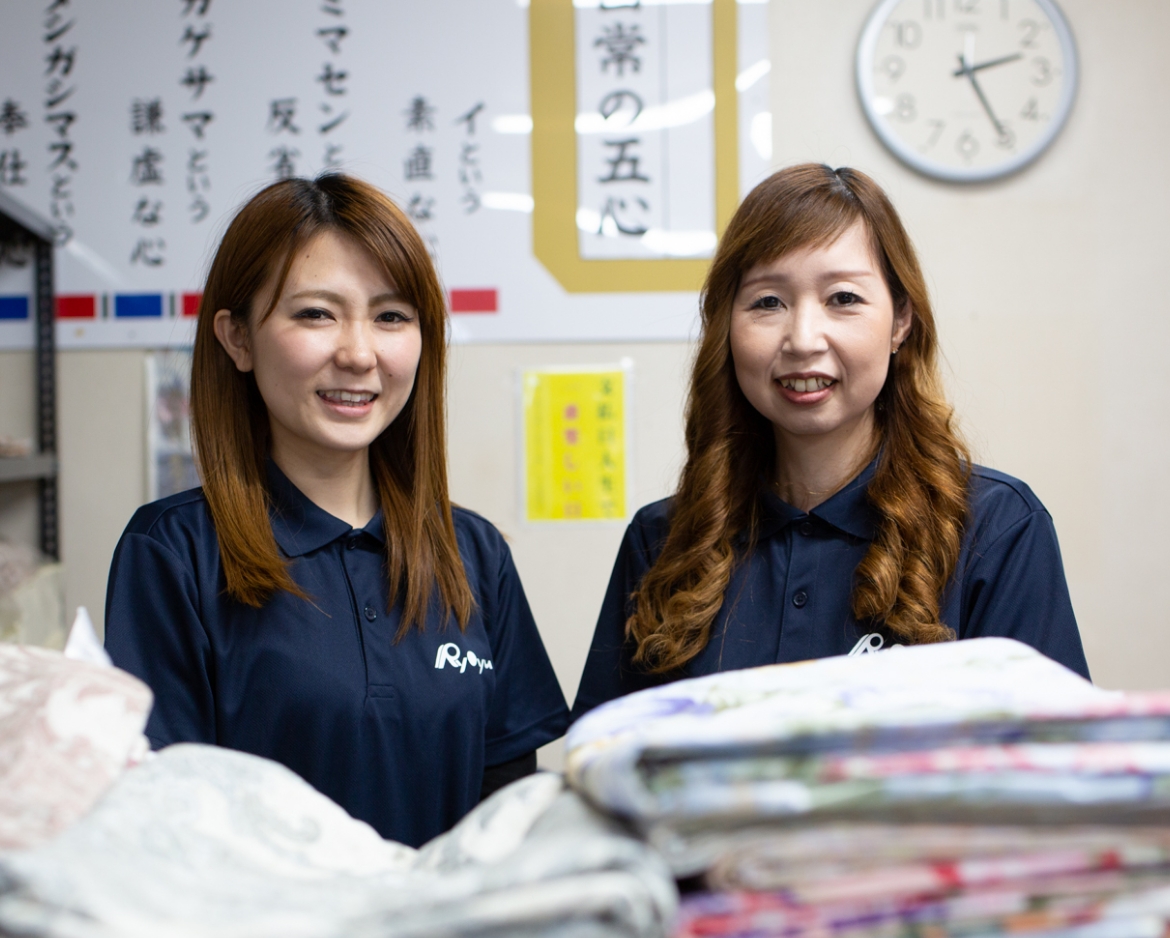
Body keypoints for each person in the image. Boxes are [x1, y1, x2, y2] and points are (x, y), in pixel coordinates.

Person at [106, 174, 569, 847]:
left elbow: (508, 808)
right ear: (238, 339)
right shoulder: (173, 552)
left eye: (391, 317)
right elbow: (163, 822)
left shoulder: (473, 551)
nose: (358, 354)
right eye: (317, 314)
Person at [572, 164, 1088, 720]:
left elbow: (1053, 757)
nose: (802, 340)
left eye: (843, 298)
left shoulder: (997, 529)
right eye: (767, 302)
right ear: (726, 325)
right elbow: (604, 754)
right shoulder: (662, 540)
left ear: (901, 320)